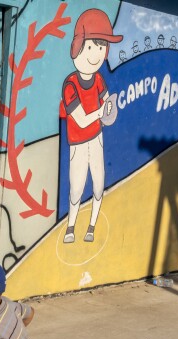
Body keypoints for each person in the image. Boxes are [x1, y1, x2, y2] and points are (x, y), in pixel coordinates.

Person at [61, 9, 122, 243]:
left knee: (98, 184)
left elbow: (107, 100)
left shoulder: (98, 79)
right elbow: (82, 118)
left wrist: (110, 106)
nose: (95, 54)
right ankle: (71, 227)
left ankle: (91, 227)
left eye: (100, 47)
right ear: (78, 47)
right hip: (78, 142)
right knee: (76, 189)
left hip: (96, 138)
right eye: (90, 46)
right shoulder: (70, 84)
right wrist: (101, 112)